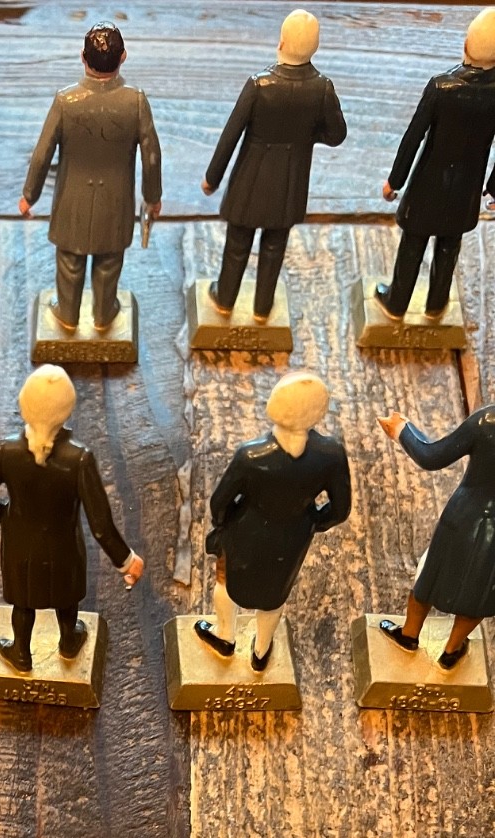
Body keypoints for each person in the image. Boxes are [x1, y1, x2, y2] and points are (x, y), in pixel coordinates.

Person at [0, 364, 144, 671]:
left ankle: (21, 652)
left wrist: (6, 514)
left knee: (23, 603)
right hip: (65, 548)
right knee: (66, 599)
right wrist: (126, 560)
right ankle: (69, 640)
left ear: (24, 404)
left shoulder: (5, 451)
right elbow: (100, 524)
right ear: (67, 409)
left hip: (20, 548)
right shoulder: (79, 458)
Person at [197, 371, 351, 670]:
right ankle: (261, 650)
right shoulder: (331, 455)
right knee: (276, 592)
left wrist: (222, 522)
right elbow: (340, 509)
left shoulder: (251, 456)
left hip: (244, 530)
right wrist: (313, 521)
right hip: (294, 536)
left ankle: (225, 635)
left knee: (226, 580)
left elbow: (219, 501)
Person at [202, 10, 346, 323]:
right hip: (290, 185)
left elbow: (230, 135)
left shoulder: (259, 85)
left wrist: (212, 178)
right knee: (274, 247)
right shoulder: (322, 88)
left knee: (237, 242)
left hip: (250, 180)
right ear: (315, 48)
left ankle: (225, 299)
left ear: (281, 42)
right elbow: (337, 135)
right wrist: (307, 138)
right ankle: (262, 308)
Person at [19, 24, 161, 334]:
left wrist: (30, 195)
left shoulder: (65, 101)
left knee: (69, 262)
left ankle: (67, 313)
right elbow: (152, 156)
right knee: (109, 263)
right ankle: (104, 314)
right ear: (123, 57)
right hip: (116, 202)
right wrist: (152, 198)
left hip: (71, 201)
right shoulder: (136, 101)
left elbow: (42, 154)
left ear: (82, 57)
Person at [375, 8, 495, 323]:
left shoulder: (441, 88)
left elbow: (413, 137)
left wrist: (395, 181)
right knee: (449, 247)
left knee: (412, 244)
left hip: (428, 183)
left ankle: (396, 303)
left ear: (466, 44)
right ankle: (436, 305)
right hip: (466, 189)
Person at [377, 405, 495, 669]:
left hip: (465, 515)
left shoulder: (487, 422)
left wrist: (402, 429)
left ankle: (409, 634)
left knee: (431, 574)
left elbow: (432, 456)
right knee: (481, 592)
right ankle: (452, 650)